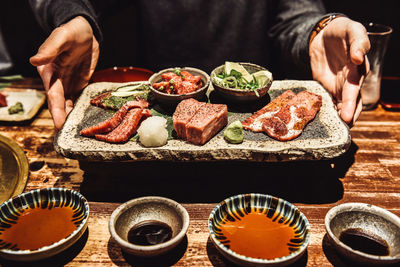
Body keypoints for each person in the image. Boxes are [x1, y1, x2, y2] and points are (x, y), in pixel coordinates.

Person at [28, 0, 370, 130]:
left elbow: (296, 14)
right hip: (162, 107)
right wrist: (72, 16)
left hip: (248, 110)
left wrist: (318, 29)